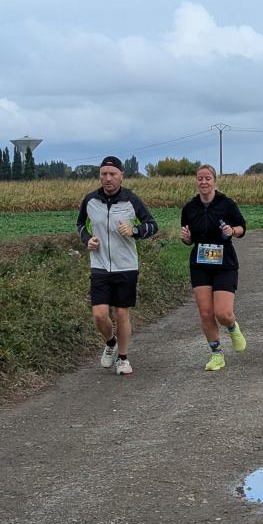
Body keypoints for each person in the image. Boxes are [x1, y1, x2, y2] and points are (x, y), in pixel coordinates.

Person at [77, 156, 157, 376]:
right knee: (99, 315)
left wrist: (134, 231)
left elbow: (152, 225)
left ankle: (122, 358)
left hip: (126, 265)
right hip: (100, 264)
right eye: (104, 174)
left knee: (121, 314)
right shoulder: (90, 200)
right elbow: (80, 224)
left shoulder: (131, 200)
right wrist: (88, 240)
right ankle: (110, 342)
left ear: (121, 176)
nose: (108, 178)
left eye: (112, 174)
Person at [180, 164, 247, 371]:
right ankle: (217, 354)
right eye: (200, 178)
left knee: (223, 313)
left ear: (214, 181)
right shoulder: (189, 208)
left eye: (207, 178)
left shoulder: (226, 204)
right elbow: (187, 239)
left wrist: (231, 230)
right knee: (206, 312)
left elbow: (242, 228)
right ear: (196, 181)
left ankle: (232, 327)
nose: (204, 182)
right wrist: (187, 238)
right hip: (200, 263)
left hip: (224, 262)